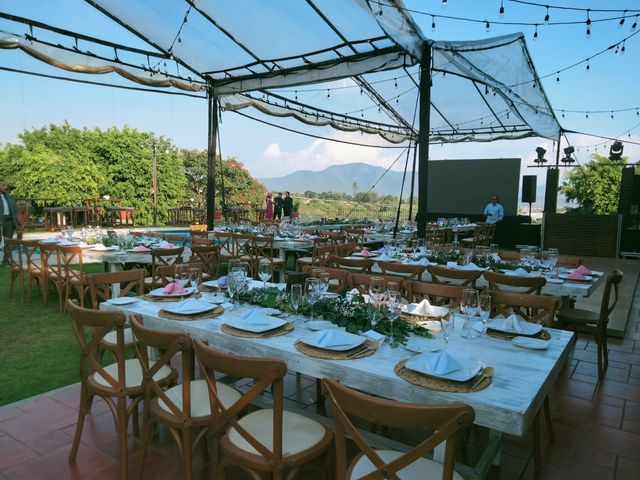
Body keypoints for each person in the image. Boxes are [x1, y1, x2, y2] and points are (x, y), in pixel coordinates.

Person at [1, 179, 18, 266]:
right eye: (3, 185)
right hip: (1, 221)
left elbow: (15, 211)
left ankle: (6, 261)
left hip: (9, 222)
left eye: (5, 185)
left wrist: (17, 222)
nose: (5, 187)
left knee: (8, 242)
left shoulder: (9, 197)